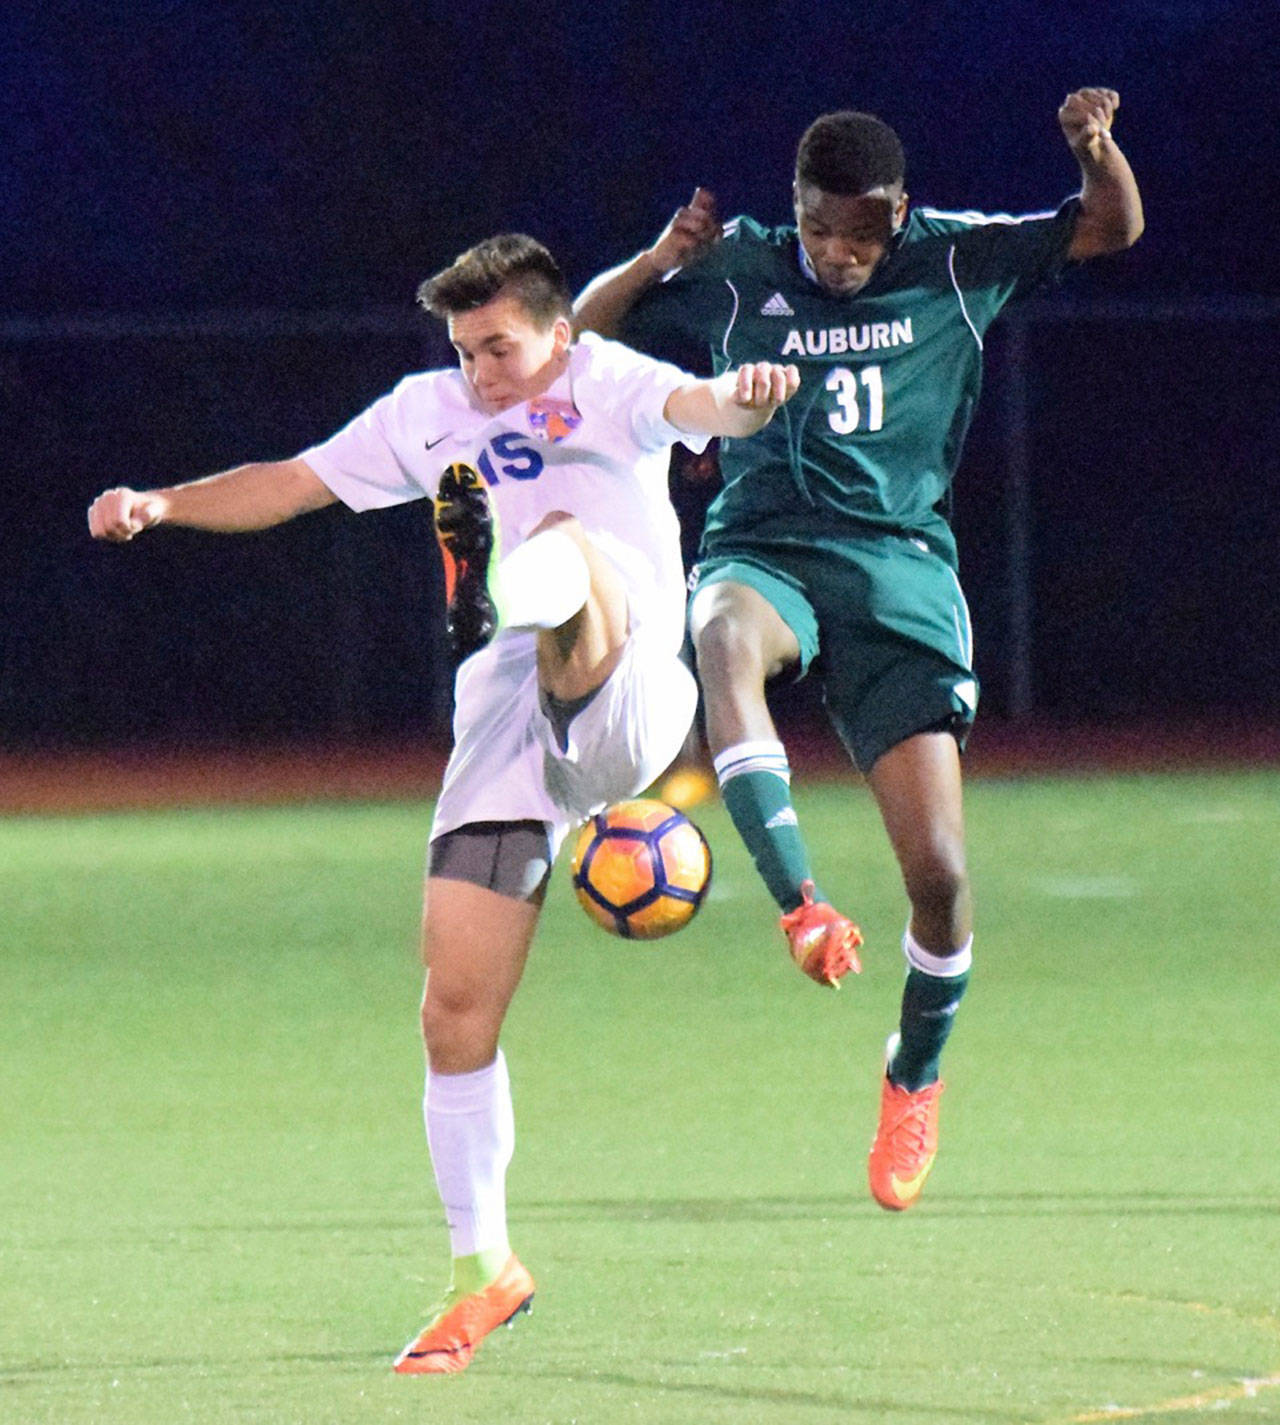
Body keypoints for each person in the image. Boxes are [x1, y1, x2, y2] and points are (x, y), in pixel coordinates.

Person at [87, 233, 799, 1374]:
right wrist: (159, 503)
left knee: (567, 548)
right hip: (506, 722)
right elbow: (297, 480)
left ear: (558, 333)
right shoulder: (426, 412)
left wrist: (750, 396)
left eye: (499, 348)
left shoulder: (604, 381)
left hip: (627, 692)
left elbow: (705, 404)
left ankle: (499, 591)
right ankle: (484, 1270)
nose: (480, 374)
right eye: (465, 353)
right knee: (453, 1013)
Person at [575, 89, 1143, 1211]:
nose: (836, 253)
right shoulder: (739, 269)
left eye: (859, 231)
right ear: (794, 209)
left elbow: (1108, 227)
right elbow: (584, 335)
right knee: (721, 635)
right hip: (765, 547)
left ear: (896, 211)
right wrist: (652, 263)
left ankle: (913, 1072)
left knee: (938, 877)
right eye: (818, 227)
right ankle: (801, 907)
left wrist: (1093, 149)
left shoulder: (951, 261)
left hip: (896, 571)